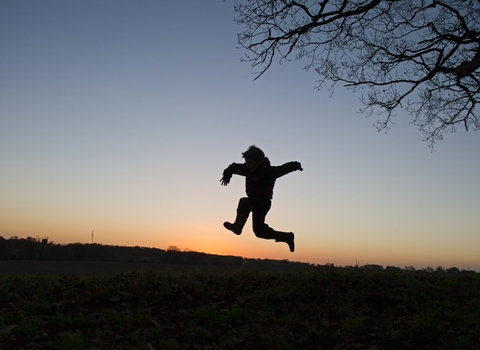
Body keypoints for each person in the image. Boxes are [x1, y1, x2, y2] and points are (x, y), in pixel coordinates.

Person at [220, 145, 303, 252]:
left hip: (263, 202)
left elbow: (284, 168)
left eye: (251, 163)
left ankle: (237, 226)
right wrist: (227, 175)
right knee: (259, 232)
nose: (248, 165)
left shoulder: (268, 172)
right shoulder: (247, 169)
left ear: (259, 161)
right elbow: (233, 167)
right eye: (247, 162)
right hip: (254, 201)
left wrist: (296, 165)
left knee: (244, 202)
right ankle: (287, 237)